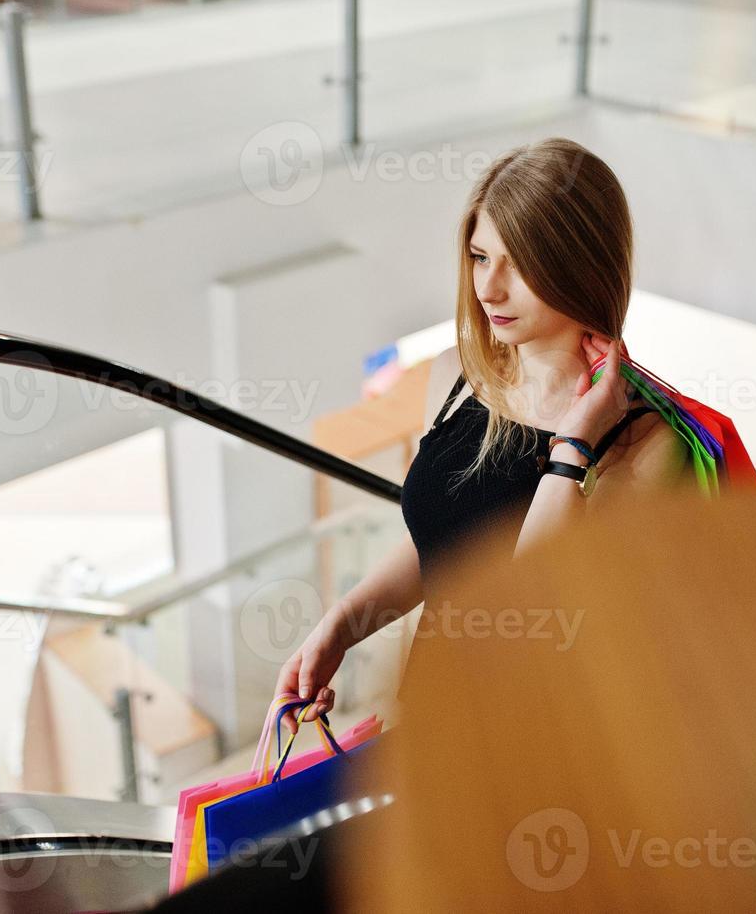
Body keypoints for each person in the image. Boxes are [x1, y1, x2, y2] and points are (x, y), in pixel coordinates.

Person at [276, 137, 694, 723]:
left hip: (539, 738)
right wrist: (344, 625)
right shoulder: (456, 374)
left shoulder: (643, 444)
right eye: (479, 256)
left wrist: (572, 446)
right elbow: (443, 544)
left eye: (518, 264)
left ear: (583, 267)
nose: (489, 288)